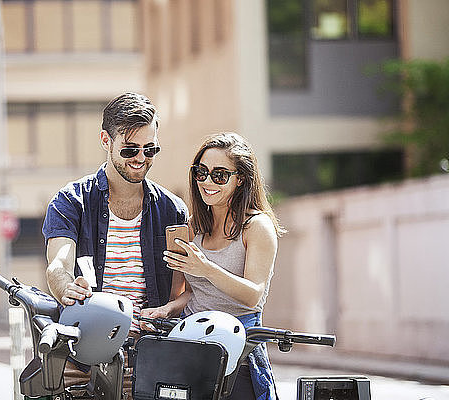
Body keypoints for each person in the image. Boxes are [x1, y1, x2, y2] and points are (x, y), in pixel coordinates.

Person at [42, 92, 188, 393]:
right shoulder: (72, 201)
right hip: (84, 360)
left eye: (150, 150)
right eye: (130, 149)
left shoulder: (174, 211)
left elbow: (181, 290)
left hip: (151, 360)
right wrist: (65, 286)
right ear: (105, 140)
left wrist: (167, 312)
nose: (140, 158)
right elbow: (58, 264)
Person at [141, 132, 285, 400]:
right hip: (190, 343)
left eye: (219, 175)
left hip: (239, 346)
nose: (207, 181)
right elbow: (192, 292)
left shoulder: (256, 227)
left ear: (240, 179)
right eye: (201, 172)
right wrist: (168, 309)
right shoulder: (194, 226)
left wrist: (205, 267)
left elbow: (254, 294)